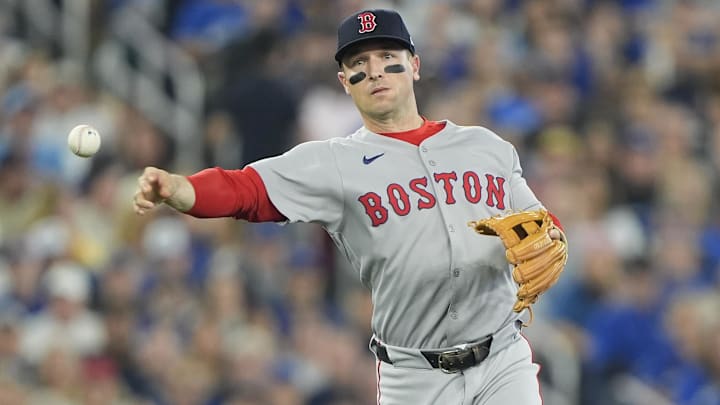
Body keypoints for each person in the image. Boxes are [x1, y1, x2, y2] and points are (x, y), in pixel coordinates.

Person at [133, 9, 566, 405]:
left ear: (414, 65)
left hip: (502, 358)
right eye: (358, 63)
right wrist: (177, 188)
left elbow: (542, 225)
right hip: (416, 376)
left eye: (385, 55)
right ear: (344, 81)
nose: (374, 70)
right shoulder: (334, 163)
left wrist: (550, 237)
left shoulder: (485, 147)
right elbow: (246, 190)